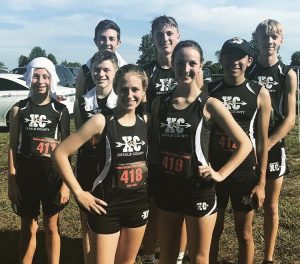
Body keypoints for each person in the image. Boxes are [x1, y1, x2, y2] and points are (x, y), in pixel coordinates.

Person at [151, 40, 252, 264]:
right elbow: (155, 149)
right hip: (168, 188)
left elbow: (245, 143)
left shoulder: (209, 104)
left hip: (198, 190)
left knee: (198, 257)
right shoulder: (160, 103)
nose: (185, 69)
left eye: (192, 63)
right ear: (173, 63)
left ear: (201, 66)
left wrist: (221, 174)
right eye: (180, 63)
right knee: (167, 255)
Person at [52, 64, 149, 264]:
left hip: (138, 205)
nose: (129, 95)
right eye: (123, 89)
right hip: (106, 207)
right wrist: (79, 192)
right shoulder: (101, 121)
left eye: (135, 89)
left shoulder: (145, 122)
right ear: (115, 88)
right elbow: (59, 153)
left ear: (144, 92)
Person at [208, 38, 271, 264]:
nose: (234, 61)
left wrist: (261, 182)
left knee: (244, 234)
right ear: (221, 59)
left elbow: (262, 141)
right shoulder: (209, 89)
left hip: (244, 173)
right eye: (228, 56)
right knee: (212, 233)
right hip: (215, 171)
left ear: (249, 60)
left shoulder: (259, 92)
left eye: (239, 56)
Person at [8, 57, 70, 264]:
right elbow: (12, 147)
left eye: (45, 76)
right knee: (28, 226)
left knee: (52, 227)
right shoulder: (19, 109)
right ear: (29, 77)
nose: (40, 81)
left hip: (51, 176)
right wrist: (12, 180)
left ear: (52, 78)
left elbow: (66, 150)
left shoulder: (60, 111)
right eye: (36, 76)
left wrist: (65, 185)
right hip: (26, 175)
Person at [246, 19, 297, 264]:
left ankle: (268, 258)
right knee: (246, 206)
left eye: (274, 37)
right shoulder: (249, 71)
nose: (269, 41)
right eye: (264, 37)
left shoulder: (288, 73)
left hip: (274, 148)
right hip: (247, 145)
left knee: (272, 206)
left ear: (281, 40)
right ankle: (246, 252)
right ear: (256, 39)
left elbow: (289, 119)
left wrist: (266, 145)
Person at [141, 15, 188, 264]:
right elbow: (143, 113)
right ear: (153, 39)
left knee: (179, 209)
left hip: (183, 153)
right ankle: (148, 256)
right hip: (155, 153)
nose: (165, 38)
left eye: (170, 33)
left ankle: (178, 257)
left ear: (177, 36)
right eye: (159, 34)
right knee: (153, 208)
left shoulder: (189, 65)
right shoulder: (146, 71)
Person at [74, 50, 119, 262]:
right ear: (91, 72)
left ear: (115, 72)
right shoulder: (82, 102)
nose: (101, 74)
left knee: (114, 220)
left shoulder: (123, 100)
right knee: (87, 224)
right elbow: (79, 140)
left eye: (106, 69)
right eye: (97, 69)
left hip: (115, 170)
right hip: (87, 170)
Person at [74, 19, 127, 128]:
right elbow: (78, 104)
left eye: (112, 39)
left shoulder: (126, 70)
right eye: (102, 38)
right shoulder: (85, 70)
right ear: (95, 41)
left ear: (118, 42)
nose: (107, 43)